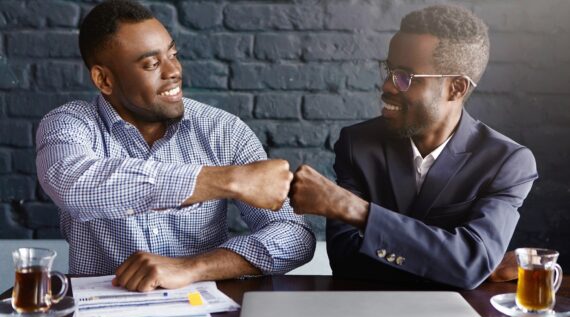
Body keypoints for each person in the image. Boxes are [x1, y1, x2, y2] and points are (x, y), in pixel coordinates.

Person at [36, 0, 315, 292]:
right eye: (152, 64)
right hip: (100, 314)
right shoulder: (69, 123)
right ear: (104, 79)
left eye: (173, 54)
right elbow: (73, 184)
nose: (173, 71)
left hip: (204, 312)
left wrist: (194, 268)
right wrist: (228, 180)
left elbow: (295, 235)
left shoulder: (223, 131)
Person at [289, 4, 537, 289]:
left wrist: (355, 210)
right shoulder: (358, 144)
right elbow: (346, 261)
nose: (388, 86)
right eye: (389, 70)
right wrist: (457, 266)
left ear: (456, 88)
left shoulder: (507, 162)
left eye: (405, 77)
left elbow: (469, 265)